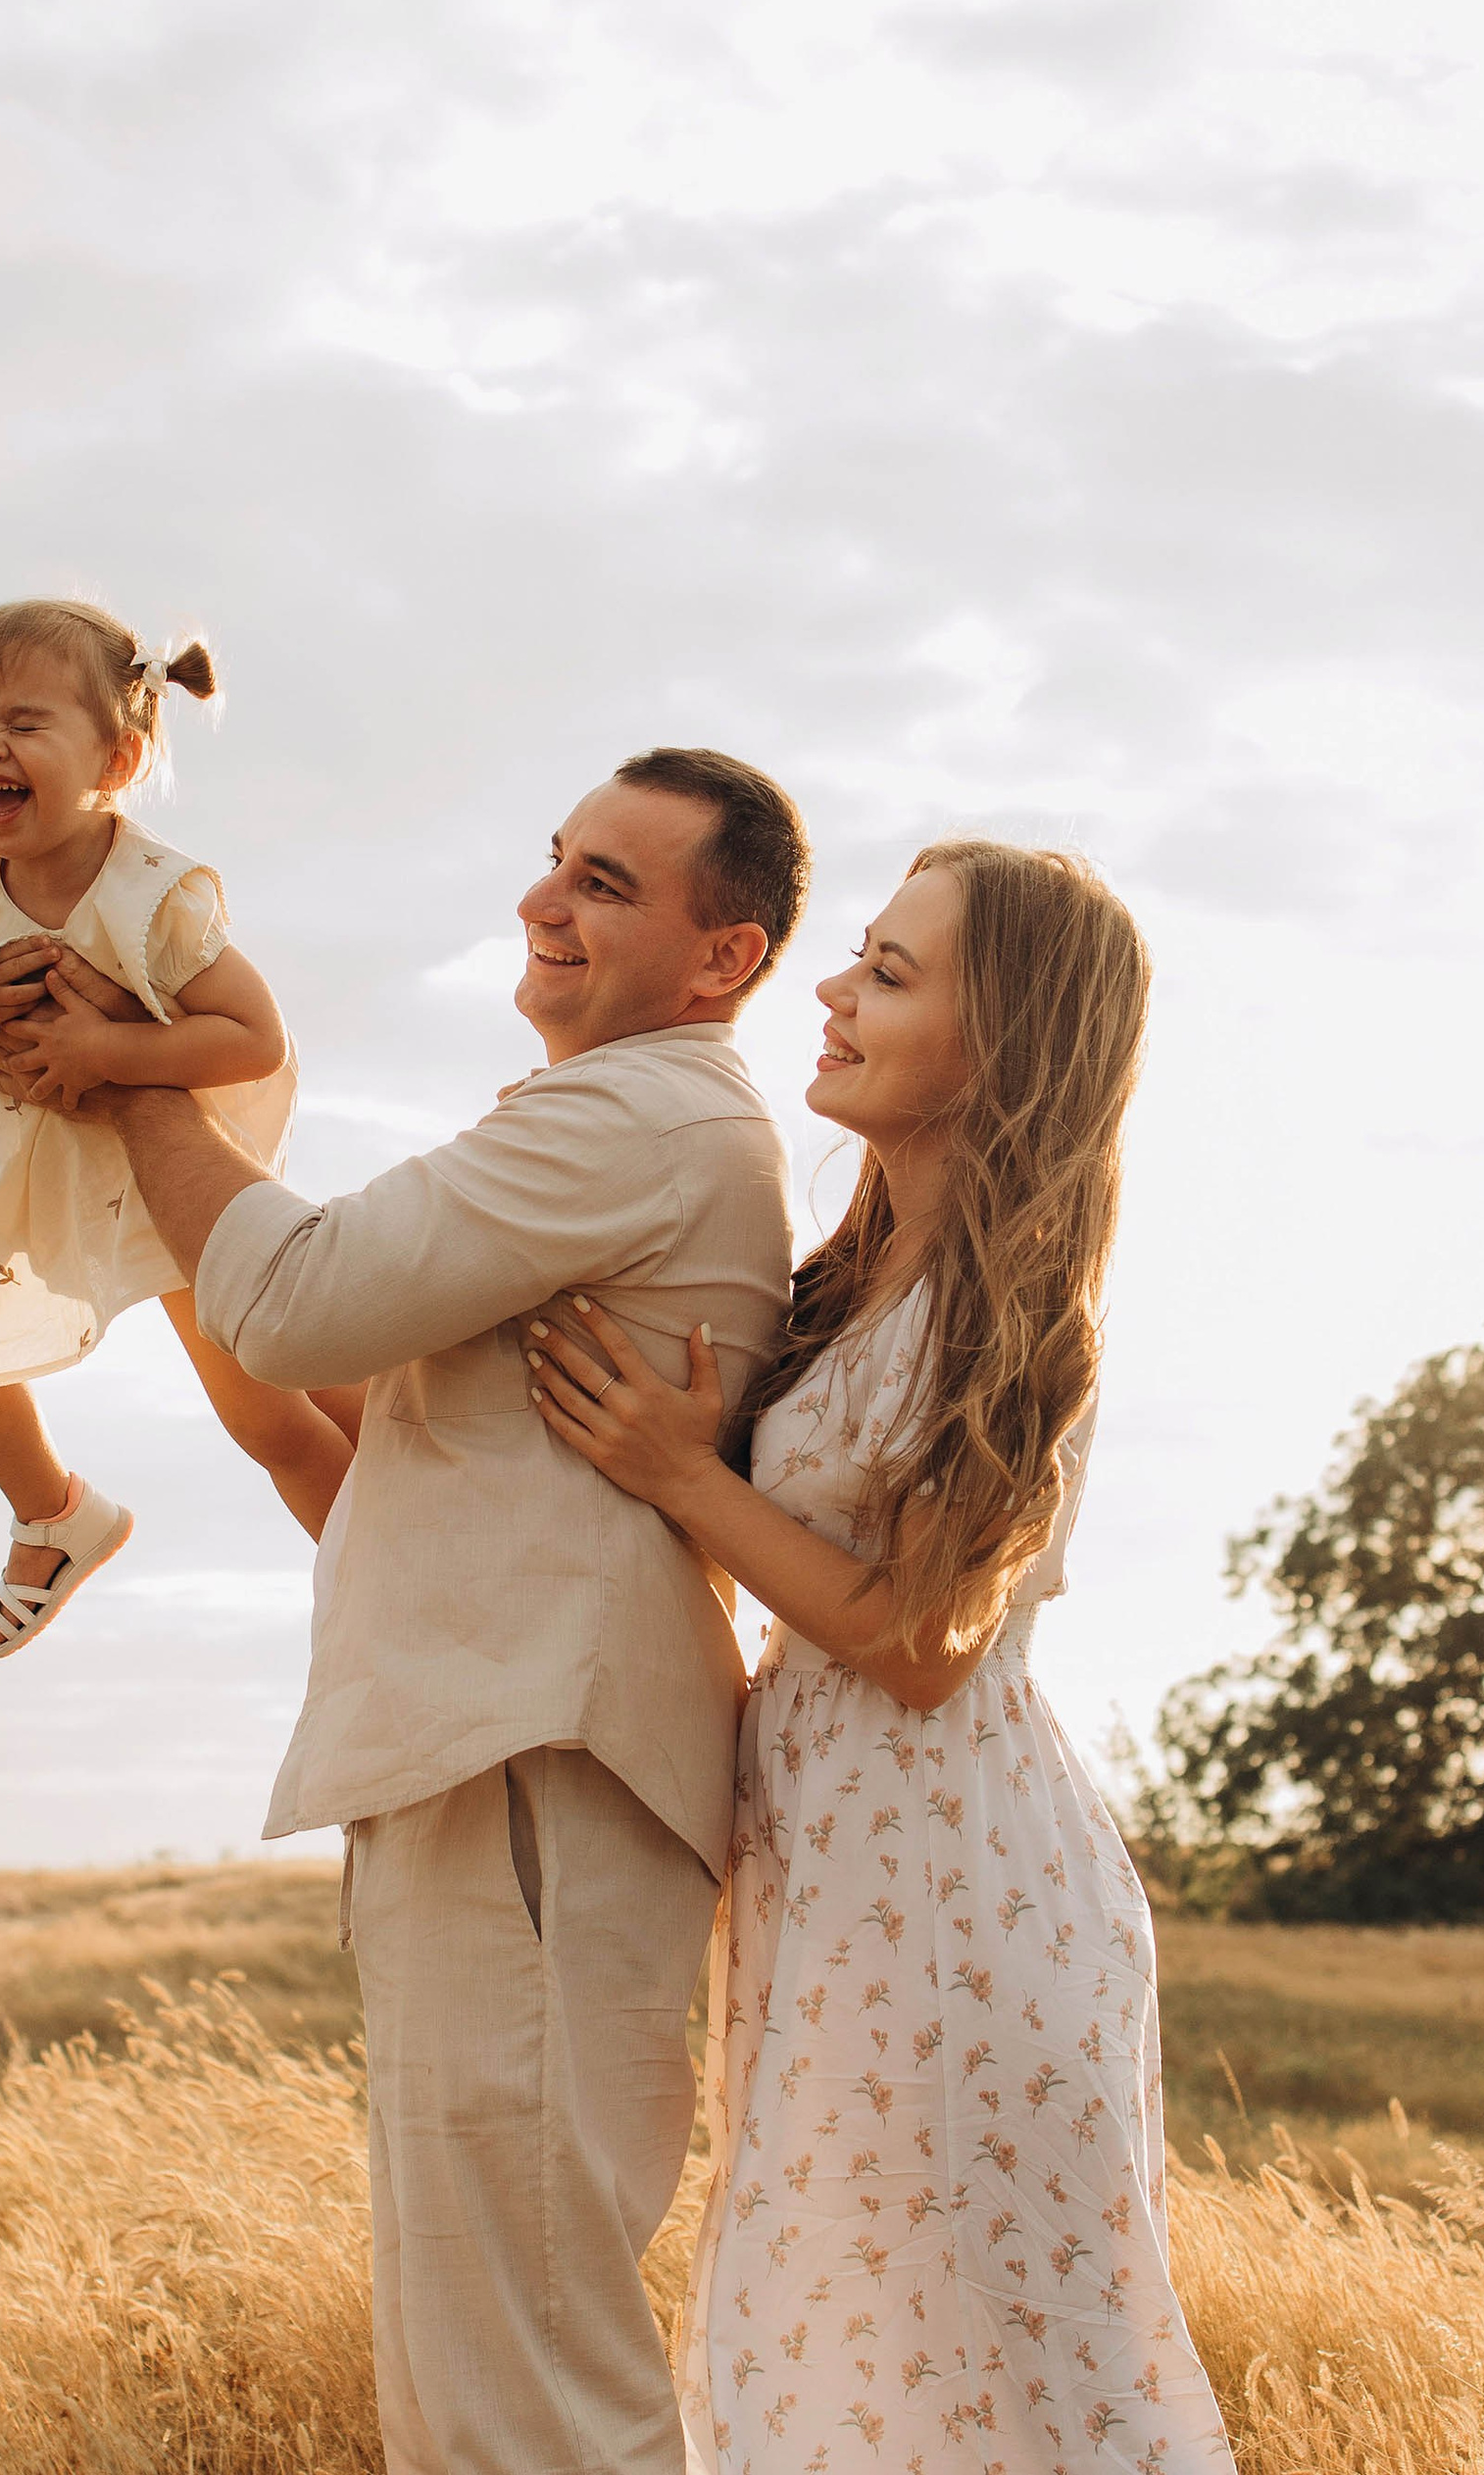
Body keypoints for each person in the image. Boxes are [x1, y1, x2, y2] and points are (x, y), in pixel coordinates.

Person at [7, 748, 806, 2475]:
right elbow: (366, 1415)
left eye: (606, 883)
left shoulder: (642, 1118)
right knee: (469, 2370)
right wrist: (168, 1182)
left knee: (526, 2382)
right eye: (556, 860)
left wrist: (135, 1077)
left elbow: (302, 1302)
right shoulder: (634, 1121)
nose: (542, 901)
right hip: (504, 1758)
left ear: (724, 956)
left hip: (533, 1764)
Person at [527, 839, 1237, 2475]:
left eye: (891, 974)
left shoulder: (1023, 1311)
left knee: (980, 2356)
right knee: (835, 2333)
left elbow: (921, 1643)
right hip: (837, 1865)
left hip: (958, 1877)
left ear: (1003, 1047)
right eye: (858, 956)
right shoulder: (844, 1281)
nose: (834, 992)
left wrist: (684, 1476)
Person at [0, 597, 359, 1660]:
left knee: (268, 1409)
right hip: (39, 1166)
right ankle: (55, 1515)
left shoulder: (150, 898)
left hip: (172, 1176)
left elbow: (254, 1038)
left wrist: (109, 1051)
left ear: (120, 756)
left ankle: (388, 1559)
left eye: (23, 722)